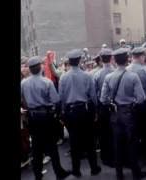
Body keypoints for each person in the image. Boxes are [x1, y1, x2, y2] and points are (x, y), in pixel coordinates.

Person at [100, 48, 146, 180]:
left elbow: (103, 99)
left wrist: (113, 101)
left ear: (114, 60)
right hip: (129, 113)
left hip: (115, 113)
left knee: (117, 144)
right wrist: (131, 101)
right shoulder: (133, 76)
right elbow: (141, 98)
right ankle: (136, 173)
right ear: (127, 59)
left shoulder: (108, 77)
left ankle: (119, 174)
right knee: (132, 143)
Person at [21, 56, 70, 180]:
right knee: (52, 147)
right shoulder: (46, 82)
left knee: (36, 148)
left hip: (32, 117)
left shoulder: (23, 83)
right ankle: (59, 172)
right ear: (40, 67)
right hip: (46, 117)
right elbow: (56, 100)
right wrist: (56, 114)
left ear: (31, 69)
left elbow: (23, 100)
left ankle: (38, 175)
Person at [59, 49, 101, 178]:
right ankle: (94, 168)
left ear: (69, 62)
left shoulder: (63, 77)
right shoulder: (87, 76)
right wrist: (95, 111)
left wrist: (63, 113)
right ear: (80, 61)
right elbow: (93, 96)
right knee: (89, 140)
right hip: (85, 110)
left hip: (71, 112)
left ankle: (76, 170)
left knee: (74, 142)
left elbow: (61, 97)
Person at [126, 47, 146, 168]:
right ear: (142, 57)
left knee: (134, 134)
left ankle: (136, 161)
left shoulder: (126, 70)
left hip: (131, 107)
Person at [93, 48, 115, 167]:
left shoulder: (97, 75)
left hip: (102, 107)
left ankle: (106, 157)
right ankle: (116, 155)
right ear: (111, 58)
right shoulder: (117, 71)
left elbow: (94, 93)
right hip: (115, 106)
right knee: (114, 132)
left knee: (104, 133)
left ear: (101, 59)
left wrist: (96, 110)